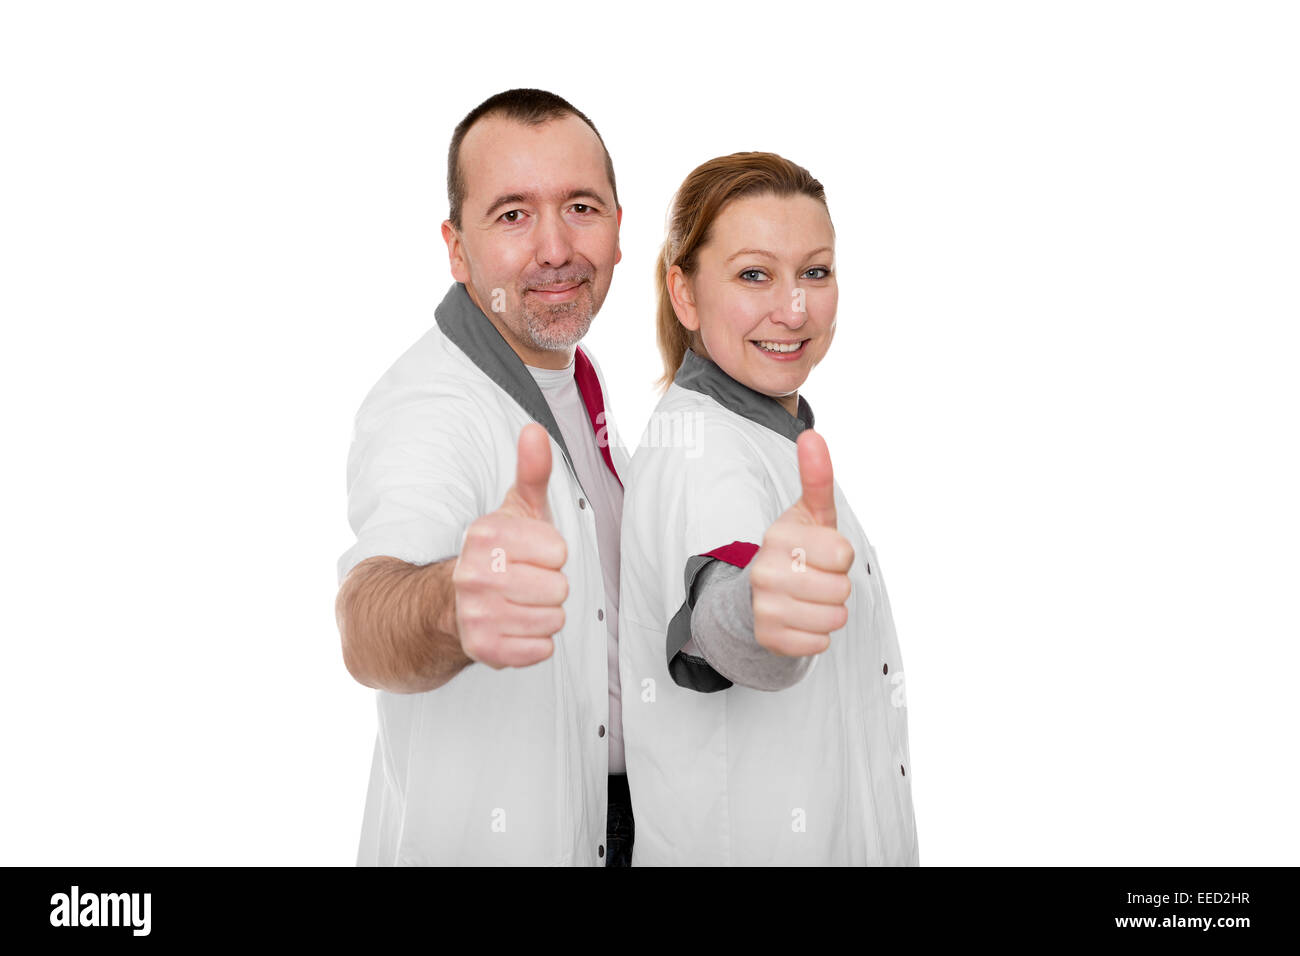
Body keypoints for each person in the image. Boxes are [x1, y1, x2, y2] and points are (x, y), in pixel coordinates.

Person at [335, 88, 635, 865]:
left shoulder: (575, 373)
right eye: (512, 215)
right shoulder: (430, 407)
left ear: (618, 226)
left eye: (580, 206)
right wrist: (451, 604)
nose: (555, 248)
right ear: (456, 247)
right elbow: (367, 620)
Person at [618, 152, 920, 865]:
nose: (794, 308)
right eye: (755, 274)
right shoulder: (705, 451)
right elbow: (721, 614)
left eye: (815, 271)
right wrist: (758, 611)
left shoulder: (769, 433)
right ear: (685, 295)